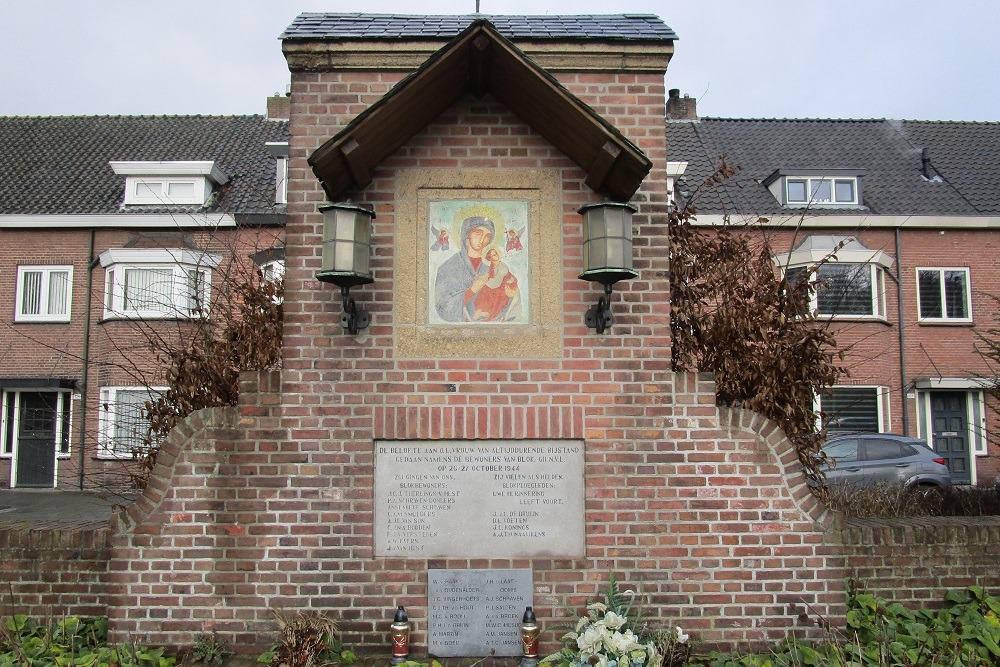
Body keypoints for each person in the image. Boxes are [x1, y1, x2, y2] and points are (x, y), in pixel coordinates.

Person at [433, 216, 495, 322]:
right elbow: (443, 307)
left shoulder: (490, 266)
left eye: (487, 236)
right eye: (478, 233)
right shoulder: (448, 267)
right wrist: (472, 290)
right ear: (467, 234)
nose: (482, 239)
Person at [470, 246, 519, 321]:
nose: (494, 256)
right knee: (483, 290)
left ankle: (487, 312)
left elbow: (496, 282)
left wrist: (484, 283)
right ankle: (480, 310)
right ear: (489, 257)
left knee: (490, 292)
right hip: (495, 285)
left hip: (505, 287)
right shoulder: (490, 266)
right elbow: (486, 275)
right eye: (492, 255)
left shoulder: (503, 266)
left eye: (495, 254)